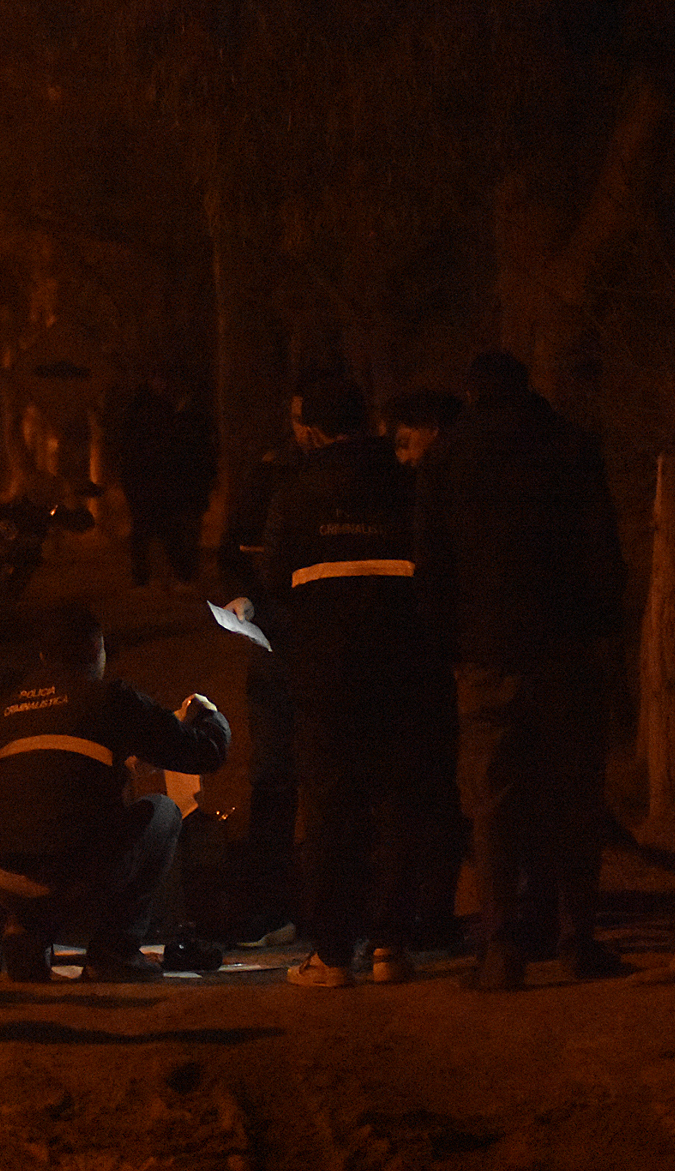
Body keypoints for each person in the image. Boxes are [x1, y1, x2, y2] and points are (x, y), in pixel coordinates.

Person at [414, 351, 629, 990]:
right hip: (565, 652)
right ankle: (575, 939)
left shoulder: (449, 457)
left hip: (486, 656)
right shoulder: (570, 445)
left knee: (492, 802)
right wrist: (596, 635)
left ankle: (501, 943)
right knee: (573, 795)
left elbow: (433, 568)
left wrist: (451, 646)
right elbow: (603, 556)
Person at [264, 374, 444, 987]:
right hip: (405, 667)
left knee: (330, 813)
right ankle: (393, 948)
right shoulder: (407, 481)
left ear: (312, 428)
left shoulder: (295, 489)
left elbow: (273, 585)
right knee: (399, 806)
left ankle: (334, 954)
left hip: (326, 677)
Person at [0, 602, 231, 982]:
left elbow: (64, 773)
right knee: (162, 813)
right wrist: (212, 718)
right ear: (99, 650)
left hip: (1, 876)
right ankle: (115, 950)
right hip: (70, 876)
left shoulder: (11, 708)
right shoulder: (110, 698)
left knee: (46, 827)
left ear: (44, 656)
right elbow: (204, 753)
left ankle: (26, 933)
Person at [214, 390, 310, 950]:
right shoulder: (270, 478)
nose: (302, 431)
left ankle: (330, 905)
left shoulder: (345, 479)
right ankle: (273, 908)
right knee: (273, 779)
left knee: (327, 783)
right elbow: (232, 553)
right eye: (295, 419)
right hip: (276, 645)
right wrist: (240, 599)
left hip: (322, 652)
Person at [380, 388, 469, 953]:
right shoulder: (443, 484)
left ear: (433, 429)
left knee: (425, 791)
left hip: (432, 657)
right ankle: (431, 910)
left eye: (408, 442)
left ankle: (420, 913)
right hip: (442, 655)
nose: (401, 456)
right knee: (437, 791)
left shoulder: (439, 489)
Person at [111, 368, 216, 592]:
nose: (163, 386)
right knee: (152, 528)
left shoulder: (155, 408)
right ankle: (152, 576)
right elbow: (139, 446)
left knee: (160, 529)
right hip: (146, 478)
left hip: (154, 479)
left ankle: (165, 576)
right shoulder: (145, 409)